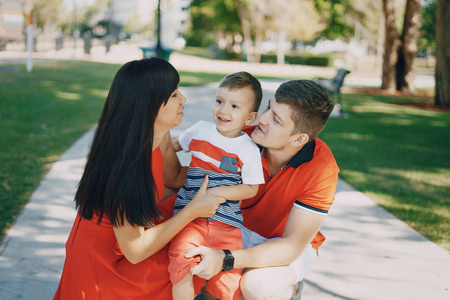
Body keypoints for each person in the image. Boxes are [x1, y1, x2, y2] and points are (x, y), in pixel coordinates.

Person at [54, 57, 225, 300]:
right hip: (106, 267)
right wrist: (194, 210)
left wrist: (226, 174)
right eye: (175, 94)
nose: (183, 99)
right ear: (151, 104)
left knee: (204, 238)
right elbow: (134, 251)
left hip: (131, 243)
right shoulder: (125, 166)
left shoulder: (158, 135)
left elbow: (175, 177)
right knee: (192, 257)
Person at [184, 79, 340, 300]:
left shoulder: (321, 169)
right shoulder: (240, 139)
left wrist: (226, 258)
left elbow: (292, 245)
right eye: (269, 107)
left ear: (299, 139)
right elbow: (190, 175)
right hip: (233, 228)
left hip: (284, 242)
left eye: (275, 119)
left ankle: (290, 290)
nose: (262, 118)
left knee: (259, 286)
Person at [168, 72, 265, 300]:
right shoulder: (200, 130)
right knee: (181, 266)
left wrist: (214, 194)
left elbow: (251, 188)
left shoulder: (248, 148)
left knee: (227, 286)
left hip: (226, 225)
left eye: (234, 106)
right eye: (219, 101)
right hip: (189, 219)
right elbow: (171, 146)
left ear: (250, 117)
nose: (223, 110)